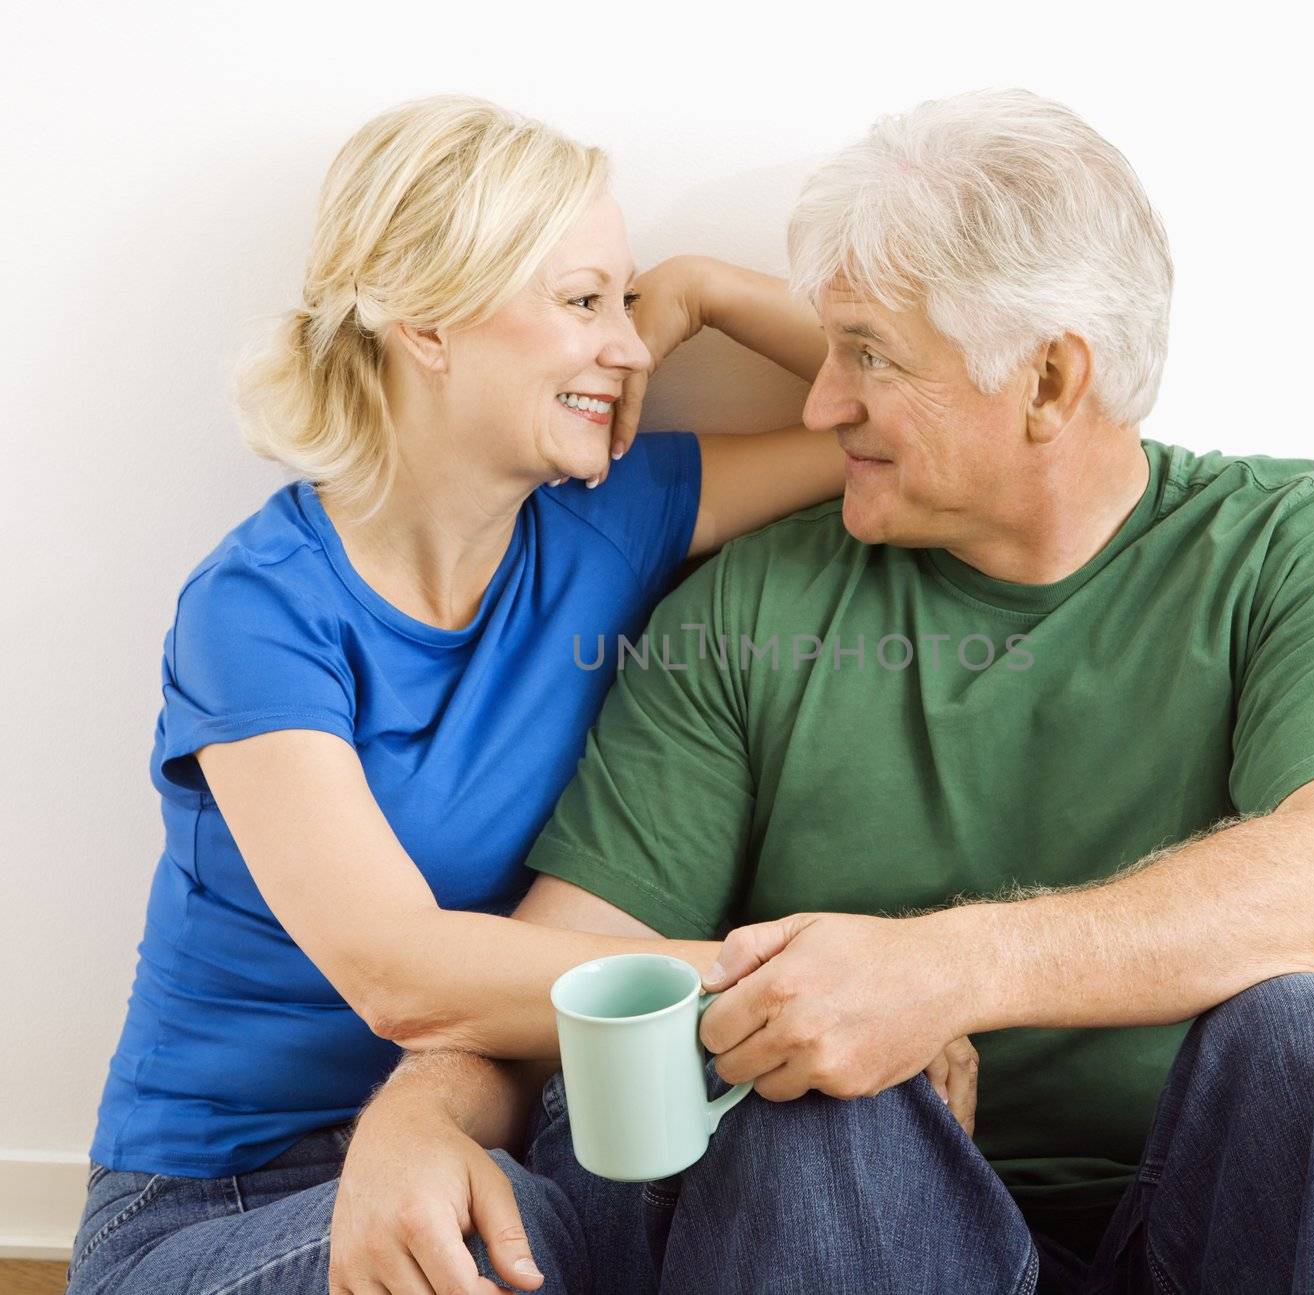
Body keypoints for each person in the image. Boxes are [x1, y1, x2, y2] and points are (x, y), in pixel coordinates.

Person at [334, 89, 1314, 1293]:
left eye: (868, 354)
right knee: (816, 1098)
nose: (816, 401)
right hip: (870, 1228)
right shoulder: (750, 609)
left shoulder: (1297, 547)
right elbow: (583, 964)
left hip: (1226, 1222)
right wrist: (418, 1116)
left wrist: (943, 969)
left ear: (1051, 383)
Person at [65, 93, 967, 1295]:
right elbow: (402, 973)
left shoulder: (612, 515)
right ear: (427, 322)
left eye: (631, 303)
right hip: (226, 1202)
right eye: (584, 300)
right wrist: (793, 984)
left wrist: (705, 285)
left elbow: (914, 414)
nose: (635, 347)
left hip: (506, 1147)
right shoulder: (258, 607)